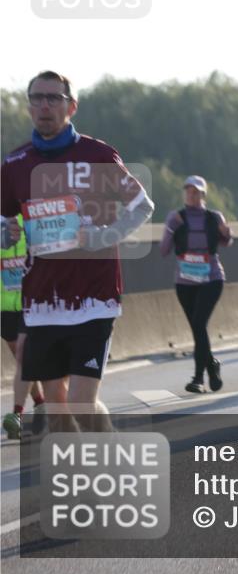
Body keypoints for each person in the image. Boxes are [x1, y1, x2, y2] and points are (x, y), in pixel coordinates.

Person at [0, 71, 154, 429]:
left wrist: (103, 236)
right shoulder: (14, 164)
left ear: (71, 106)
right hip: (42, 302)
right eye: (37, 98)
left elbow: (142, 206)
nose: (45, 105)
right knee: (57, 409)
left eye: (54, 98)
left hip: (94, 298)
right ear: (29, 107)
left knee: (81, 404)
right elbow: (4, 222)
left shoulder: (97, 154)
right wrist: (6, 233)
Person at [159, 176, 232, 393]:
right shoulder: (175, 218)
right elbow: (164, 250)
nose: (192, 195)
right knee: (197, 328)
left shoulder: (214, 217)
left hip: (211, 278)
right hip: (185, 281)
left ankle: (198, 378)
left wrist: (227, 233)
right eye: (188, 191)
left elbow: (226, 242)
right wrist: (171, 228)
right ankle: (212, 365)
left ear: (203, 195)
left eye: (196, 192)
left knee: (199, 324)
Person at [1, 213, 44, 439]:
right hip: (4, 304)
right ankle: (41, 403)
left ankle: (17, 414)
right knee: (21, 358)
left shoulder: (30, 215)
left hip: (31, 301)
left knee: (23, 355)